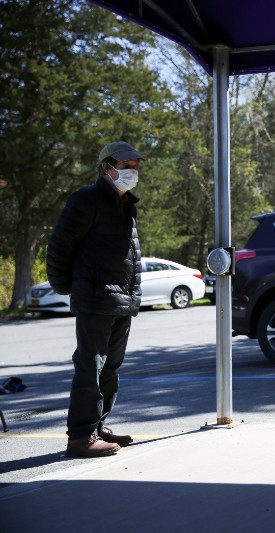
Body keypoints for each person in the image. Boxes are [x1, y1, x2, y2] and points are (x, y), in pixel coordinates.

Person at [47, 141, 144, 458]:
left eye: (135, 166)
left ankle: (98, 427)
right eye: (126, 166)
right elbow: (60, 247)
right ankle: (80, 437)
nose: (132, 172)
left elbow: (131, 256)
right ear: (107, 167)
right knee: (90, 366)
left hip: (121, 301)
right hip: (95, 298)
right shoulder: (86, 200)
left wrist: (133, 296)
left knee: (110, 369)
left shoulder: (126, 204)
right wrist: (69, 287)